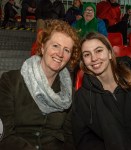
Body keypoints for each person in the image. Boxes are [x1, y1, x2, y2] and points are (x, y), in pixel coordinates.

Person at [0, 19, 80, 150]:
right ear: (43, 47)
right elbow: (5, 134)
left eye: (67, 50)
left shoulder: (69, 94)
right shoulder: (10, 81)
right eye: (55, 46)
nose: (60, 54)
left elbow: (69, 137)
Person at [72, 32, 131, 150]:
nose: (94, 58)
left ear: (109, 53)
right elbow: (83, 139)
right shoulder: (82, 97)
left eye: (99, 51)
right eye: (87, 54)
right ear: (83, 62)